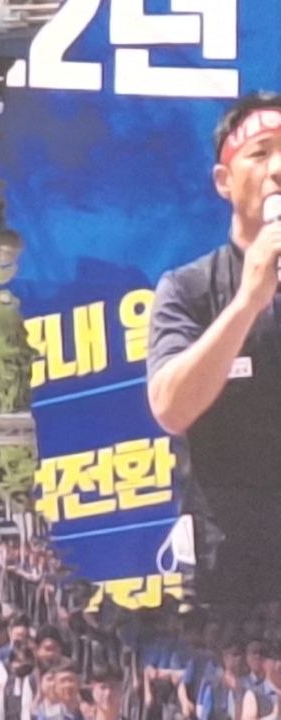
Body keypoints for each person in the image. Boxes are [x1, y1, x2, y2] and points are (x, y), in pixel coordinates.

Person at [146, 92, 281, 606]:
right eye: (261, 152)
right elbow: (170, 407)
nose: (278, 170)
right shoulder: (190, 289)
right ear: (224, 180)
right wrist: (248, 301)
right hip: (230, 569)